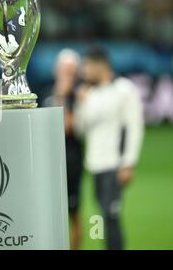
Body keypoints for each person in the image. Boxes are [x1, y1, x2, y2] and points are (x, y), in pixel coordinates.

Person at [74, 47, 144, 250]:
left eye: (87, 65)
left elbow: (134, 127)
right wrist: (81, 103)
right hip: (95, 164)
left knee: (111, 215)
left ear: (100, 65)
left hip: (114, 164)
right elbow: (80, 129)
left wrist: (128, 162)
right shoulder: (90, 93)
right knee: (102, 215)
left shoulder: (124, 89)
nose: (84, 70)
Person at [44, 49, 84, 250]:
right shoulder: (47, 93)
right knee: (49, 211)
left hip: (71, 160)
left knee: (73, 212)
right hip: (49, 160)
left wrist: (63, 95)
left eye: (70, 70)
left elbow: (67, 126)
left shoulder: (78, 96)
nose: (66, 74)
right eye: (63, 69)